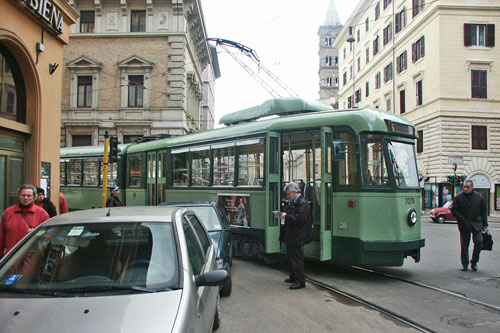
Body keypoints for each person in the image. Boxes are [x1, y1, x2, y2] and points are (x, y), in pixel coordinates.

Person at [0, 184, 50, 258]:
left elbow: (49, 234)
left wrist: (37, 233)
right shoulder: (8, 212)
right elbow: (1, 237)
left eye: (28, 196)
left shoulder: (42, 214)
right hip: (10, 257)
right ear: (19, 196)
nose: (25, 198)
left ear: (34, 198)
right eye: (23, 195)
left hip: (32, 258)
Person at [279, 182, 312, 290]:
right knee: (291, 257)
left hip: (297, 235)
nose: (288, 196)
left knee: (296, 258)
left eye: (288, 194)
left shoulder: (302, 203)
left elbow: (299, 218)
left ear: (294, 192)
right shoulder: (296, 202)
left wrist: (285, 216)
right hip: (293, 234)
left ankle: (300, 281)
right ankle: (293, 277)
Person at [451, 179, 488, 272]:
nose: (466, 189)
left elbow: (483, 211)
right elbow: (454, 210)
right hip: (464, 224)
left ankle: (474, 262)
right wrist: (462, 219)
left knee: (479, 242)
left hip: (477, 223)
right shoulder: (459, 197)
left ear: (472, 187)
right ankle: (465, 264)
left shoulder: (479, 197)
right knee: (464, 245)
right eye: (465, 187)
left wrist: (485, 224)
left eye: (468, 187)